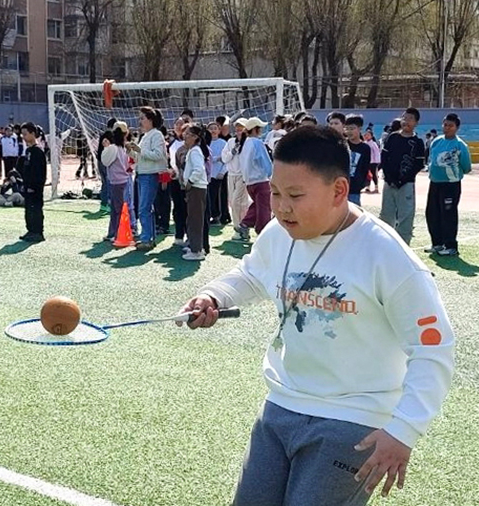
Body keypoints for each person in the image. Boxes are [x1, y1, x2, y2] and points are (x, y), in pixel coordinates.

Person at [177, 126, 454, 506]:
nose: (281, 207)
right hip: (280, 405)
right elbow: (252, 275)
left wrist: (404, 429)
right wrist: (214, 295)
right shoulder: (279, 232)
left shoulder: (388, 257)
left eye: (295, 195)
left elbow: (433, 349)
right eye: (275, 192)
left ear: (339, 191)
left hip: (354, 419)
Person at [425, 113, 472, 256]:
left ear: (457, 128)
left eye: (450, 126)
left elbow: (466, 166)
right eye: (445, 125)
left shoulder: (460, 145)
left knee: (448, 214)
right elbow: (431, 159)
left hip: (451, 185)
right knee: (432, 213)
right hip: (435, 183)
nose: (447, 128)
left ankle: (451, 246)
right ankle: (437, 243)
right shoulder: (436, 141)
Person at [379, 107, 426, 245]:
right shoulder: (392, 137)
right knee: (386, 215)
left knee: (406, 216)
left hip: (406, 184)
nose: (406, 121)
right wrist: (389, 177)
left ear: (416, 123)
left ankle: (404, 246)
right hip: (389, 183)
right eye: (404, 118)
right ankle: (384, 244)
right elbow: (384, 158)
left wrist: (402, 180)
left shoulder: (418, 142)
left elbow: (418, 164)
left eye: (410, 119)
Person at [128, 106, 167, 252]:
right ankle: (148, 237)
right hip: (143, 173)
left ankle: (147, 239)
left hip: (150, 175)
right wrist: (130, 152)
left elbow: (158, 155)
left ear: (151, 120)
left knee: (144, 208)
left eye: (142, 118)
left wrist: (139, 150)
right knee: (145, 207)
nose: (140, 121)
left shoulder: (156, 135)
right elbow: (140, 157)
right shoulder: (146, 136)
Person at [234, 117, 273, 242]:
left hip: (249, 182)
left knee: (257, 205)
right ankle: (263, 233)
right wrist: (271, 175)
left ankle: (245, 224)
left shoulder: (245, 143)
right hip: (261, 180)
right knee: (264, 208)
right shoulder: (257, 143)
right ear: (256, 129)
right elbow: (265, 161)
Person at [181, 123, 211, 261]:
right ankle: (195, 245)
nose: (185, 136)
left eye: (188, 134)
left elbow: (199, 169)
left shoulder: (195, 151)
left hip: (196, 188)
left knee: (195, 220)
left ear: (195, 137)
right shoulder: (194, 150)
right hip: (196, 188)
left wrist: (190, 182)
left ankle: (197, 250)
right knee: (193, 218)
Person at [101, 122, 131, 242]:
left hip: (116, 182)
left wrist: (106, 148)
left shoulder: (113, 148)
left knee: (117, 209)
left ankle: (118, 233)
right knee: (116, 208)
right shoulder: (124, 148)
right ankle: (113, 232)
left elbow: (105, 161)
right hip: (124, 180)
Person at [19, 122, 46, 242]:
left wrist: (34, 186)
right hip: (27, 186)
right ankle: (30, 230)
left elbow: (39, 172)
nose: (23, 137)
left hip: (35, 187)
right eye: (22, 134)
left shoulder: (38, 151)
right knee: (28, 209)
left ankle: (38, 232)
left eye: (25, 134)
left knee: (36, 209)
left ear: (33, 134)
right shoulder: (28, 151)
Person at [223, 118, 251, 234]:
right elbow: (225, 158)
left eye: (241, 127)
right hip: (231, 175)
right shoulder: (230, 142)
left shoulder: (248, 142)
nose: (239, 129)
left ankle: (241, 226)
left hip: (242, 176)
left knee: (238, 201)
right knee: (233, 202)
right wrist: (233, 152)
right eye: (237, 127)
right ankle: (238, 227)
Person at [169, 117, 190, 247]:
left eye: (181, 124)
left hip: (187, 181)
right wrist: (171, 170)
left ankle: (189, 235)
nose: (178, 126)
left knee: (187, 208)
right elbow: (170, 161)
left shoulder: (190, 145)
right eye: (176, 124)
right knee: (177, 208)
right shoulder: (171, 143)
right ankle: (178, 234)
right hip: (175, 180)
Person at [343, 114, 371, 206]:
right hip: (341, 186)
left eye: (352, 128)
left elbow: (365, 167)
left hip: (354, 188)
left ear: (360, 129)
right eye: (346, 128)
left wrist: (361, 183)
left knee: (354, 210)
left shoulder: (365, 148)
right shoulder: (342, 144)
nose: (349, 131)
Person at [207, 122, 231, 225]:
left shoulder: (223, 143)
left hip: (219, 175)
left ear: (219, 130)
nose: (213, 130)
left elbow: (226, 160)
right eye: (211, 128)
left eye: (215, 128)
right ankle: (212, 215)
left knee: (220, 197)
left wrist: (222, 172)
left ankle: (221, 216)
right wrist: (217, 158)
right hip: (209, 175)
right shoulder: (206, 143)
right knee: (210, 197)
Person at [96, 118, 118, 213]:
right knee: (109, 182)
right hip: (107, 162)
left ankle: (103, 204)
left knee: (104, 182)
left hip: (100, 161)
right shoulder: (111, 135)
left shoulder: (103, 135)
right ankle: (109, 203)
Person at [363, 129, 381, 194]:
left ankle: (376, 188)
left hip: (373, 162)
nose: (366, 136)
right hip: (366, 162)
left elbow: (377, 153)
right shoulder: (364, 143)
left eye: (368, 135)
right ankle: (367, 187)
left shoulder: (373, 144)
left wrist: (377, 161)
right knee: (367, 175)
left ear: (371, 136)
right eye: (365, 135)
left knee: (373, 174)